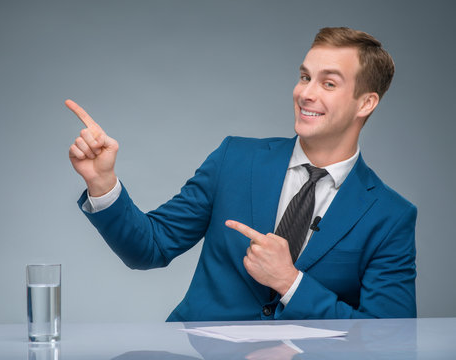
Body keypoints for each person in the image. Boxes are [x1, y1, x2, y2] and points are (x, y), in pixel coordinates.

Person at [67, 27, 417, 321]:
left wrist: (291, 283)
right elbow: (150, 247)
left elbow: (386, 336)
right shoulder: (234, 159)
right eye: (305, 77)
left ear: (366, 103)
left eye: (328, 84)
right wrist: (102, 183)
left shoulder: (390, 216)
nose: (305, 94)